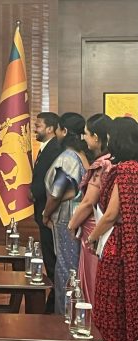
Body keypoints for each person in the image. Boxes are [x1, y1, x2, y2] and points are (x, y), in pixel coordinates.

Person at [86, 116, 138, 341]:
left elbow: (110, 215)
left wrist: (92, 238)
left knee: (111, 313)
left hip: (119, 248)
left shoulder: (125, 170)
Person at [43, 112, 87, 314]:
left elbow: (56, 193)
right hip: (80, 217)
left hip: (66, 218)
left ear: (65, 131)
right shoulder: (83, 155)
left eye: (59, 129)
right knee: (76, 266)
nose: (57, 134)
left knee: (65, 267)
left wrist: (46, 213)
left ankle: (64, 316)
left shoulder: (67, 158)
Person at [67, 113, 114, 304]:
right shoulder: (116, 160)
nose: (83, 138)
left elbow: (88, 202)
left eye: (86, 134)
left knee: (91, 279)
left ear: (96, 137)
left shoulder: (102, 164)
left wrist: (72, 224)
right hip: (109, 228)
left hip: (95, 228)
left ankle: (90, 319)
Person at [29, 112, 62, 312]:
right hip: (42, 209)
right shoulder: (45, 148)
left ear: (50, 128)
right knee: (48, 256)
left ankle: (55, 300)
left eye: (38, 125)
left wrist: (35, 193)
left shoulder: (55, 150)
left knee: (51, 257)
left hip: (49, 212)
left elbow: (51, 182)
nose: (35, 129)